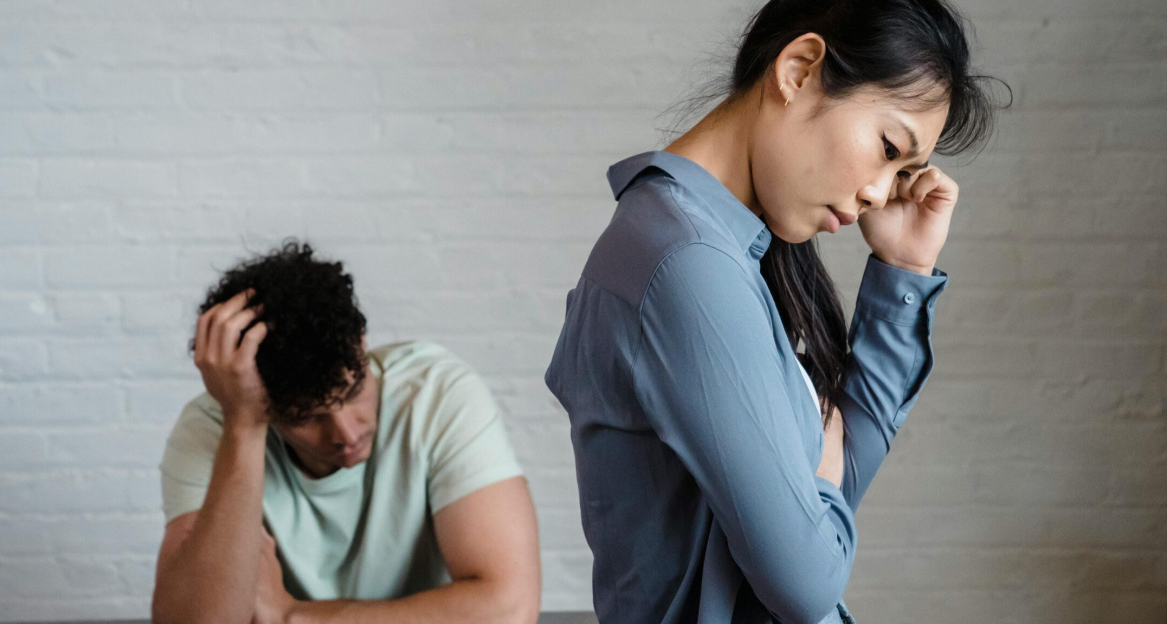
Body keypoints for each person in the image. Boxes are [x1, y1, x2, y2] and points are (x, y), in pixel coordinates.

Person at [544, 0, 1007, 622]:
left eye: (905, 170)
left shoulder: (716, 250)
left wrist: (903, 268)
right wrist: (820, 475)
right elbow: (806, 583)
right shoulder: (688, 265)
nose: (879, 193)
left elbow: (832, 496)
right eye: (888, 146)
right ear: (798, 70)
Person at [152, 241, 541, 624]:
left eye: (354, 392)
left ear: (363, 343)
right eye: (305, 416)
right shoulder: (215, 428)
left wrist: (295, 618)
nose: (346, 433)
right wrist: (244, 425)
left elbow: (509, 609)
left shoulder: (435, 395)